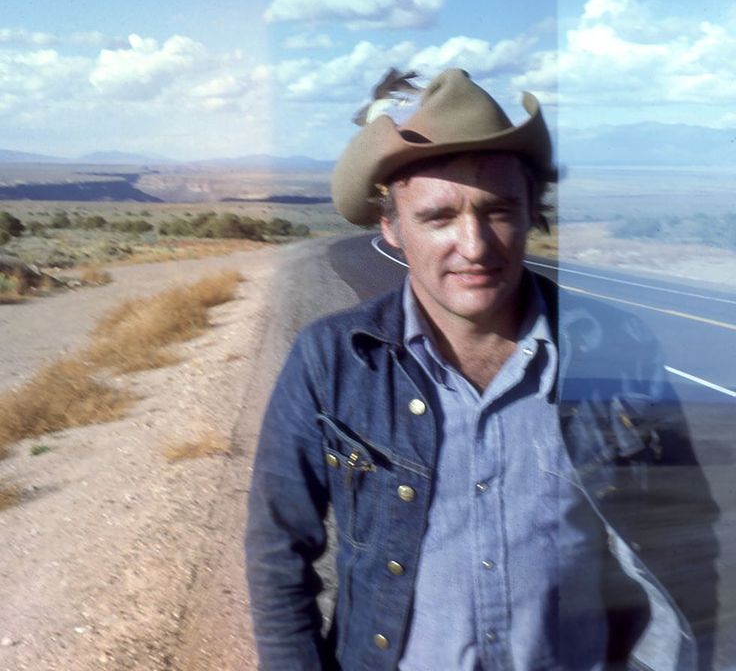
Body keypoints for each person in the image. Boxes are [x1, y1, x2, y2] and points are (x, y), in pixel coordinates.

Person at [245, 69, 718, 670]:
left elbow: (684, 539)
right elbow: (277, 555)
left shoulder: (616, 352)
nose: (474, 245)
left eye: (496, 212)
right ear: (391, 227)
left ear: (529, 215)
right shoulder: (332, 360)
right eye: (438, 217)